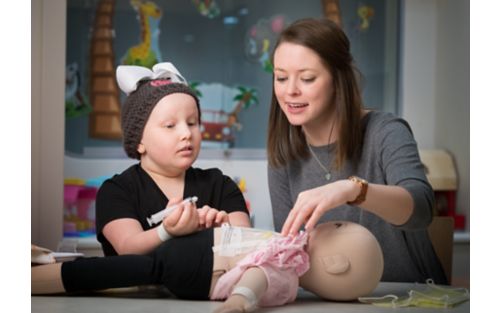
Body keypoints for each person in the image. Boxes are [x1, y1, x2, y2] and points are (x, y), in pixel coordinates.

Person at [266, 18, 447, 284]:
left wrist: (354, 190)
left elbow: (421, 208)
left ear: (338, 80)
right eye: (281, 77)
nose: (290, 90)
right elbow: (292, 249)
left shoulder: (385, 131)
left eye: (307, 78)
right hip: (330, 299)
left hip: (409, 296)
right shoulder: (284, 155)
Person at [32, 221, 384, 313]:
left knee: (125, 270)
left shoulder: (287, 270)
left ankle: (39, 277)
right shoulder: (290, 249)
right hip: (195, 255)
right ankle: (46, 262)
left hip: (195, 265)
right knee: (126, 271)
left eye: (338, 227)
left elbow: (257, 277)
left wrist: (241, 300)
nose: (330, 222)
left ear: (336, 265)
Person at [96, 62, 250, 256]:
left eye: (192, 123)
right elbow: (127, 246)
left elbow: (249, 245)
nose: (186, 133)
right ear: (139, 141)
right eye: (170, 125)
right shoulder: (117, 191)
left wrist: (222, 229)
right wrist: (166, 231)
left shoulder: (220, 185)